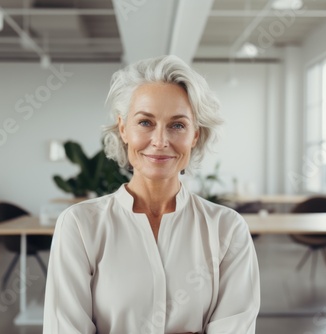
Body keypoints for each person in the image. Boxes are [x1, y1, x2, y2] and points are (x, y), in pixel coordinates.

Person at [43, 55, 260, 334]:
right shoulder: (79, 225)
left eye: (177, 125)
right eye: (145, 122)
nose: (160, 141)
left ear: (195, 135)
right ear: (123, 129)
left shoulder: (227, 229)